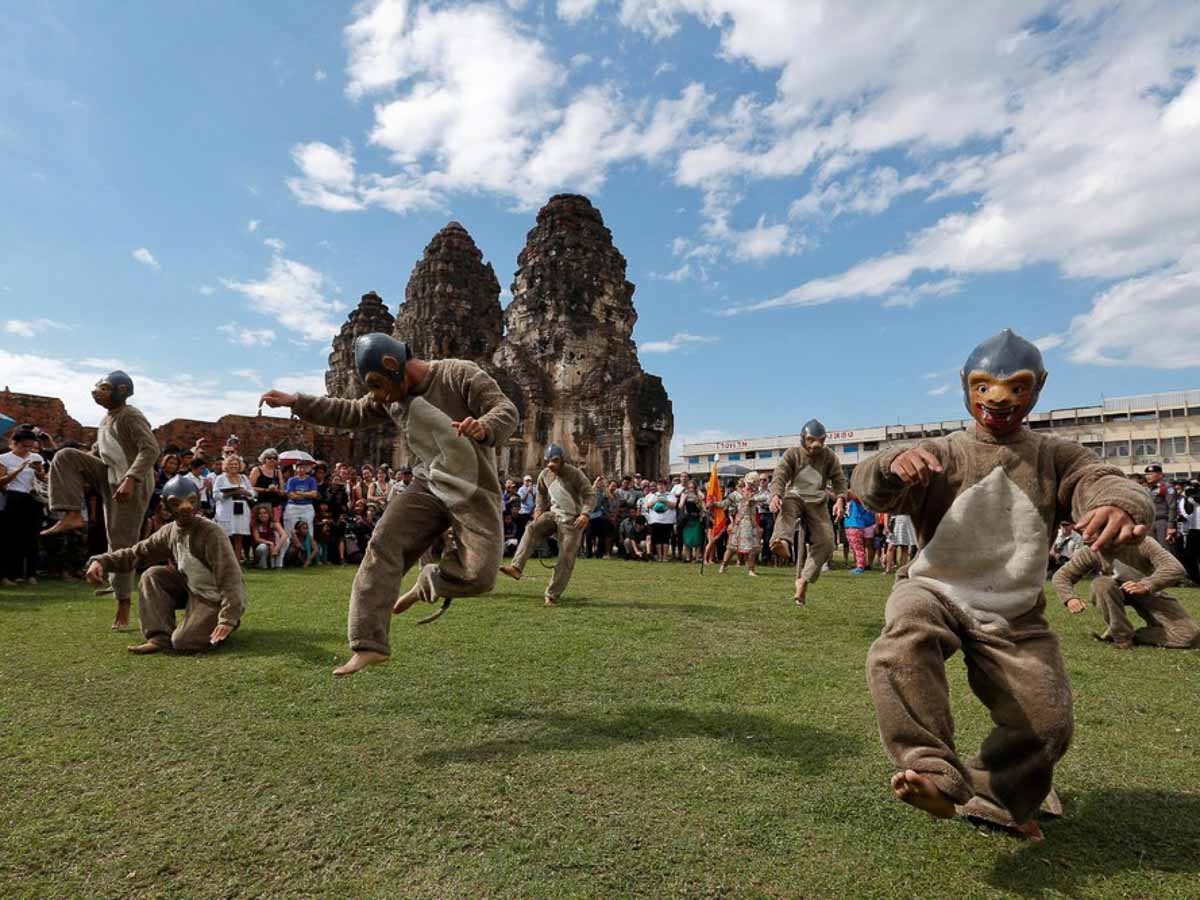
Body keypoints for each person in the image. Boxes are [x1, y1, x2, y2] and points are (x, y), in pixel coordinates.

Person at [854, 329, 1153, 841]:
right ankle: (931, 771)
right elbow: (868, 483)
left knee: (1048, 720)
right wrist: (888, 466)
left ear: (1038, 387)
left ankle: (995, 797)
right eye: (984, 384)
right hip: (935, 589)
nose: (999, 399)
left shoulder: (1055, 455)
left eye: (1016, 387)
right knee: (903, 638)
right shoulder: (943, 452)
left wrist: (1118, 504)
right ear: (965, 386)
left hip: (1015, 612)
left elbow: (1100, 478)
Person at [259, 332, 518, 676]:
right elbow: (348, 411)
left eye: (378, 385)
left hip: (473, 491)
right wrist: (296, 401)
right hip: (428, 486)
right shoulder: (388, 399)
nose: (378, 396)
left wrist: (483, 427)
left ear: (394, 366)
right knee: (382, 545)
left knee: (480, 577)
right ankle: (369, 644)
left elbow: (506, 409)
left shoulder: (458, 374)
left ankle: (430, 580)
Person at [41, 371, 158, 629]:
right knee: (66, 456)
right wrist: (83, 464)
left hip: (131, 482)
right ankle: (72, 514)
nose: (97, 392)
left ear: (122, 390)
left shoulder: (131, 415)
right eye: (97, 387)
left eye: (104, 387)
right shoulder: (106, 419)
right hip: (108, 475)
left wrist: (131, 479)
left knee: (120, 543)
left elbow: (150, 448)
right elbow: (103, 451)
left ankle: (123, 605)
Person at [84, 475, 245, 654]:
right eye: (177, 503)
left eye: (191, 501)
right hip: (191, 588)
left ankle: (218, 622)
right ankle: (159, 637)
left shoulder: (211, 532)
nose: (186, 508)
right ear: (166, 507)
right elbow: (136, 554)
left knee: (184, 642)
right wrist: (101, 561)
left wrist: (228, 618)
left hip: (213, 597)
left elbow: (230, 578)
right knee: (152, 575)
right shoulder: (170, 531)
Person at [1052, 535, 1197, 649]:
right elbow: (1062, 576)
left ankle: (1136, 635)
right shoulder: (1090, 551)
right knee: (1101, 584)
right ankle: (1121, 636)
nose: (1086, 536)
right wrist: (1069, 598)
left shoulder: (1142, 542)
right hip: (1113, 590)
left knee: (1190, 635)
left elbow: (1175, 568)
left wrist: (1146, 584)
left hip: (1148, 592)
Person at [500, 444, 592, 606]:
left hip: (573, 519)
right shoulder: (544, 475)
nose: (551, 464)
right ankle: (516, 567)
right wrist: (538, 510)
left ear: (562, 459)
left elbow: (589, 494)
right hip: (553, 514)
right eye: (548, 461)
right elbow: (541, 494)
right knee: (532, 527)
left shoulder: (575, 474)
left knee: (566, 558)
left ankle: (552, 595)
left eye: (555, 460)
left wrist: (585, 513)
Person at [768, 419, 848, 605]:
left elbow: (839, 480)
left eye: (820, 440)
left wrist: (840, 499)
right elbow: (780, 475)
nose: (815, 445)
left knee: (827, 543)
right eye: (811, 440)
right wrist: (775, 495)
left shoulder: (829, 457)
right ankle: (782, 542)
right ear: (803, 438)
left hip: (817, 502)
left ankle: (803, 580)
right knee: (786, 509)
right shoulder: (792, 454)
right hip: (794, 496)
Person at [0, 428, 47, 586]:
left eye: (30, 446)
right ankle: (8, 575)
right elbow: (1, 482)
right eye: (24, 446)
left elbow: (44, 478)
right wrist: (19, 470)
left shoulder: (36, 457)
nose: (27, 450)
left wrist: (39, 471)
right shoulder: (5, 458)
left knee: (32, 537)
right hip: (13, 497)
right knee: (11, 538)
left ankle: (30, 574)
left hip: (32, 498)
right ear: (14, 444)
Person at [716, 473, 769, 576]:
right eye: (749, 482)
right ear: (745, 482)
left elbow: (765, 497)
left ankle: (751, 570)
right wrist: (714, 504)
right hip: (739, 523)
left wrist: (752, 499)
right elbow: (725, 503)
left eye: (752, 483)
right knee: (731, 547)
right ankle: (723, 566)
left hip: (751, 523)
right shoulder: (736, 494)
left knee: (752, 548)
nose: (750, 485)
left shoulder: (756, 494)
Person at [213, 456, 254, 561]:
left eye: (236, 464)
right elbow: (215, 495)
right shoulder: (221, 478)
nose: (234, 466)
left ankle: (237, 561)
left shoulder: (244, 478)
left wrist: (246, 492)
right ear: (226, 465)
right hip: (226, 508)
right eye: (231, 464)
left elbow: (252, 493)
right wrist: (231, 493)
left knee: (239, 536)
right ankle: (224, 560)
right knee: (225, 535)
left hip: (241, 508)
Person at [641, 478, 678, 562]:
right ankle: (659, 556)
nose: (661, 487)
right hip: (656, 520)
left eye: (663, 485)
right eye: (659, 485)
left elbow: (673, 505)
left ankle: (665, 556)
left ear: (666, 486)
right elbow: (648, 505)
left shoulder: (670, 495)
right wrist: (656, 500)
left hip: (668, 520)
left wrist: (665, 501)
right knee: (658, 539)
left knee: (666, 538)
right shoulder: (653, 495)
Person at [282, 461, 319, 537]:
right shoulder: (291, 480)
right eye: (299, 467)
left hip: (307, 507)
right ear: (296, 469)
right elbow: (291, 495)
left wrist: (299, 493)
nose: (301, 469)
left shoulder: (311, 480)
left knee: (308, 528)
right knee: (291, 529)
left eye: (303, 467)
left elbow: (314, 494)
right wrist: (307, 494)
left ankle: (308, 547)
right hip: (293, 506)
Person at [842, 490, 875, 574]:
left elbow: (852, 493)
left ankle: (860, 566)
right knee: (854, 547)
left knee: (858, 548)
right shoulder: (847, 501)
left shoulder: (857, 500)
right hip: (849, 525)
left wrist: (845, 489)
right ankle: (859, 564)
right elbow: (835, 496)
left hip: (856, 525)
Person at [251, 503, 288, 569]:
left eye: (265, 513)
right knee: (262, 547)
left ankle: (278, 564)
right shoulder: (256, 524)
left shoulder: (274, 523)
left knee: (286, 540)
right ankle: (263, 565)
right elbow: (257, 539)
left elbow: (284, 535)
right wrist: (269, 543)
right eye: (260, 513)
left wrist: (276, 548)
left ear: (269, 514)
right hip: (264, 547)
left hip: (274, 546)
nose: (262, 515)